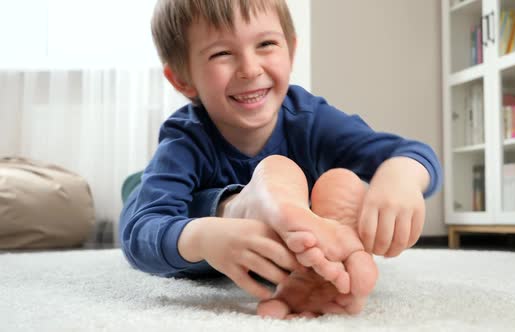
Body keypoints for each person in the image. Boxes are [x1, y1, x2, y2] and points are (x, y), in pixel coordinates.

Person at [119, 0, 442, 318]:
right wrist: (203, 238)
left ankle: (330, 242)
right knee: (139, 191)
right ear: (182, 79)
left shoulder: (311, 118)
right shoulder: (184, 139)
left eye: (266, 44)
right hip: (198, 215)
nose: (250, 69)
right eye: (222, 54)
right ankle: (236, 209)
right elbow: (140, 231)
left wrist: (399, 178)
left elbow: (410, 153)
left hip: (288, 230)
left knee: (339, 181)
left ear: (290, 50)